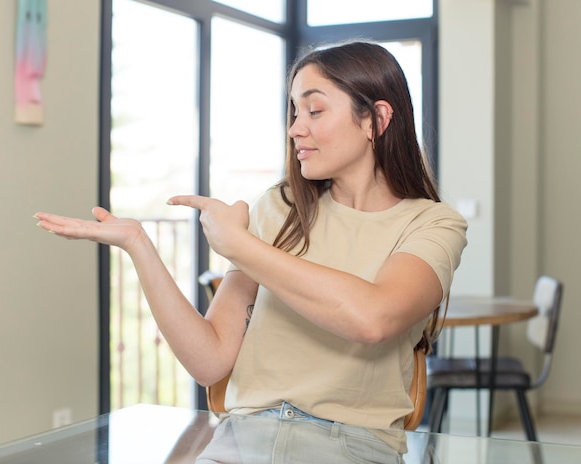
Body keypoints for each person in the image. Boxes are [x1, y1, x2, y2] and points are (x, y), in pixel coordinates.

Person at [35, 41, 467, 463]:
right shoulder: (278, 209)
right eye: (295, 112)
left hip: (353, 445)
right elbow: (209, 362)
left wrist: (240, 246)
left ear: (376, 118)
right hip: (244, 437)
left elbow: (374, 319)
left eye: (314, 110)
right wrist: (139, 247)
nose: (296, 128)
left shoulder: (432, 224)